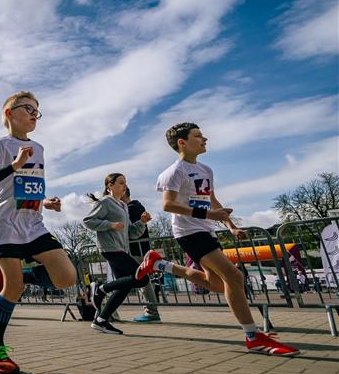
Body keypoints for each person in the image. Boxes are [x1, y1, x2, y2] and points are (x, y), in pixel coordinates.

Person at [136, 122, 299, 356]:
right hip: (188, 232)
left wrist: (230, 226)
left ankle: (159, 264)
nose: (205, 139)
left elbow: (213, 200)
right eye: (198, 136)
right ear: (182, 142)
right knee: (234, 276)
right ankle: (253, 336)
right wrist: (209, 215)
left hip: (206, 230)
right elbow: (168, 205)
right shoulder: (174, 172)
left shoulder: (206, 170)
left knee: (216, 285)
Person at [0, 91, 77, 374]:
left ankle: (21, 277)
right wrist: (14, 165)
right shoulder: (0, 145)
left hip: (33, 222)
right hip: (6, 223)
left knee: (67, 277)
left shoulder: (40, 149)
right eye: (28, 108)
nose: (35, 114)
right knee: (13, 289)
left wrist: (46, 201)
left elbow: (28, 186)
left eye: (37, 111)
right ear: (10, 113)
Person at [83, 174, 152, 334]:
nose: (124, 186)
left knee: (125, 286)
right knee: (142, 277)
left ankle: (101, 320)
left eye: (125, 183)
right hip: (110, 248)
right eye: (121, 183)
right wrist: (110, 225)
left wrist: (141, 222)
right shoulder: (106, 202)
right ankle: (101, 289)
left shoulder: (123, 206)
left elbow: (131, 233)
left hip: (122, 248)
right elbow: (88, 221)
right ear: (110, 186)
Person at [121, 188, 161, 323]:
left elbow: (131, 232)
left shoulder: (131, 209)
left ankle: (151, 312)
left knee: (142, 280)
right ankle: (151, 311)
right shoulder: (135, 207)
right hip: (138, 249)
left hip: (135, 250)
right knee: (141, 279)